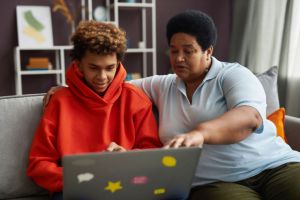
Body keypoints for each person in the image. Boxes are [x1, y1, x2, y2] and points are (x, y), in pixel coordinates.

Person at [43, 10, 300, 200]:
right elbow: (111, 83)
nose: (178, 58)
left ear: (208, 51)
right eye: (173, 50)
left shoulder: (233, 75)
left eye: (188, 51)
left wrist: (199, 133)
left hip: (276, 166)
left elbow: (249, 117)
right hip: (215, 184)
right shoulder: (162, 85)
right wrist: (68, 87)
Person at [27, 20, 162, 200]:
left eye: (110, 68)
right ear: (79, 64)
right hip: (74, 190)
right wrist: (78, 179)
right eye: (93, 67)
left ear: (118, 63)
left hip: (124, 187)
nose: (102, 77)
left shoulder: (135, 100)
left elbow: (153, 156)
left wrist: (128, 158)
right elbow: (39, 164)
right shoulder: (59, 102)